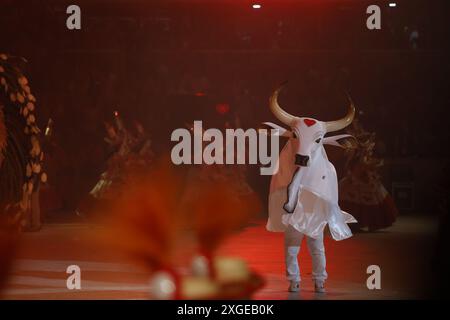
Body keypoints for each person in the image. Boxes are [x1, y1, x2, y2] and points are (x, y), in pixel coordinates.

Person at [339, 119, 397, 232]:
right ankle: (354, 223)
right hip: (356, 176)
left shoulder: (363, 149)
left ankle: (360, 223)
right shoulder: (355, 150)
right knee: (354, 197)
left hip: (363, 176)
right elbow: (356, 163)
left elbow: (365, 162)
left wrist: (372, 164)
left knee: (367, 197)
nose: (369, 147)